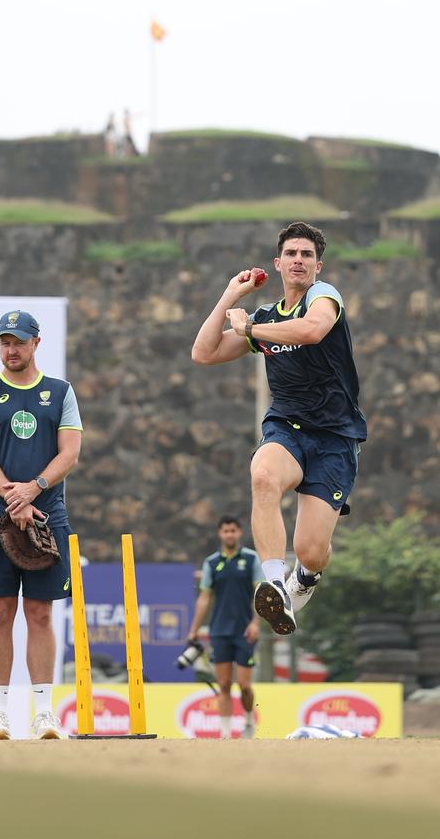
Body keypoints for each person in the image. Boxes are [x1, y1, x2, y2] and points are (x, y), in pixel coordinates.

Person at [191, 221, 367, 636]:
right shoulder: (266, 317)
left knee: (312, 550)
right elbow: (203, 352)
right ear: (279, 262)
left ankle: (305, 577)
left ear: (318, 266)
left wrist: (248, 329)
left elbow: (311, 331)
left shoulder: (324, 297)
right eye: (291, 254)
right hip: (287, 426)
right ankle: (274, 582)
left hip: (335, 438)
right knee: (263, 475)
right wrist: (230, 297)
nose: (299, 261)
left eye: (307, 255)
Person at [0, 309, 83, 740]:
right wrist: (14, 496)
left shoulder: (59, 391)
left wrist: (34, 489)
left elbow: (69, 454)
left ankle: (44, 712)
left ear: (36, 343)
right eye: (4, 342)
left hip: (47, 513)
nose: (10, 349)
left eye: (18, 341)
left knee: (40, 613)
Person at [186, 516, 264, 739]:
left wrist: (255, 623)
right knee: (223, 684)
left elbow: (260, 594)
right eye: (225, 531)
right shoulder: (212, 562)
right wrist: (194, 630)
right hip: (219, 630)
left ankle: (249, 722)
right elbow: (204, 598)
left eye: (233, 530)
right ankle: (226, 732)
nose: (229, 534)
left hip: (245, 631)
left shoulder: (251, 559)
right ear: (220, 534)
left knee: (245, 685)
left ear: (239, 533)